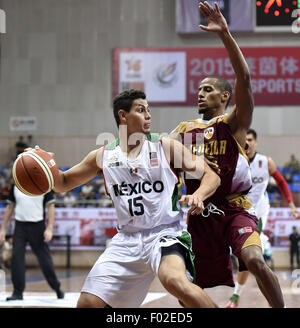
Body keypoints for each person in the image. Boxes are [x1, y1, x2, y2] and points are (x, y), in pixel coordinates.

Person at [30, 89, 221, 308]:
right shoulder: (103, 156)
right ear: (123, 116)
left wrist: (199, 194)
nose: (148, 115)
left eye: (149, 110)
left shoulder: (165, 146)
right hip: (127, 240)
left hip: (165, 234)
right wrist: (41, 162)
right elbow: (62, 182)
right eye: (141, 110)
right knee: (87, 304)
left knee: (175, 282)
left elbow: (211, 175)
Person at [170, 2, 284, 308]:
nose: (200, 92)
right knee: (189, 285)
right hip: (199, 214)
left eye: (208, 89)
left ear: (224, 97)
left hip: (235, 208)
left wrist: (225, 35)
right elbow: (155, 155)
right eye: (199, 89)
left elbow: (244, 79)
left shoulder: (232, 124)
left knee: (255, 260)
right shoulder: (183, 129)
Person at [226, 128, 300, 308]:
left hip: (258, 213)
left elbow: (281, 182)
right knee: (246, 259)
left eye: (251, 139)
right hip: (240, 213)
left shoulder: (265, 162)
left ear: (255, 142)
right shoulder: (234, 162)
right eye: (245, 139)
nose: (248, 142)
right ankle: (238, 296)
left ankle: (267, 299)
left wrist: (290, 204)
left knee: (253, 258)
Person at [0, 185, 64, 300]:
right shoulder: (16, 185)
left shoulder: (44, 183)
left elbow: (51, 206)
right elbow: (10, 207)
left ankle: (57, 288)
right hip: (20, 225)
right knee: (16, 258)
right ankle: (17, 292)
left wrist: (49, 228)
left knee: (44, 259)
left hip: (38, 225)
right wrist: (3, 228)